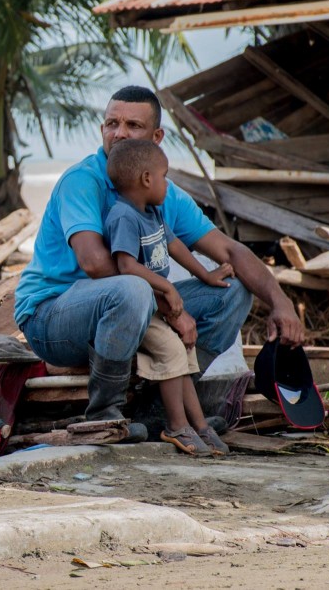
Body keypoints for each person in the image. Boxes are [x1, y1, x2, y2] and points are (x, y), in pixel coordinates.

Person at [14, 85, 305, 439]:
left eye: (133, 126)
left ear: (156, 136)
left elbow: (230, 252)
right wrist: (168, 304)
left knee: (233, 291)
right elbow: (94, 263)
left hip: (131, 307)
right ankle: (104, 415)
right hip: (52, 318)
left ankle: (159, 415)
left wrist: (281, 302)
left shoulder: (159, 190)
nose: (119, 133)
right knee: (132, 288)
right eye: (111, 123)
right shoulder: (82, 181)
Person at [104, 139, 232, 456]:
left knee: (186, 356)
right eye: (164, 176)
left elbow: (174, 246)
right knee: (173, 351)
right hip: (140, 309)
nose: (166, 183)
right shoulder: (123, 216)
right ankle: (176, 426)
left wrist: (204, 274)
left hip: (160, 305)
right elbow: (125, 264)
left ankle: (200, 425)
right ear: (147, 179)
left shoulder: (154, 211)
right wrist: (168, 288)